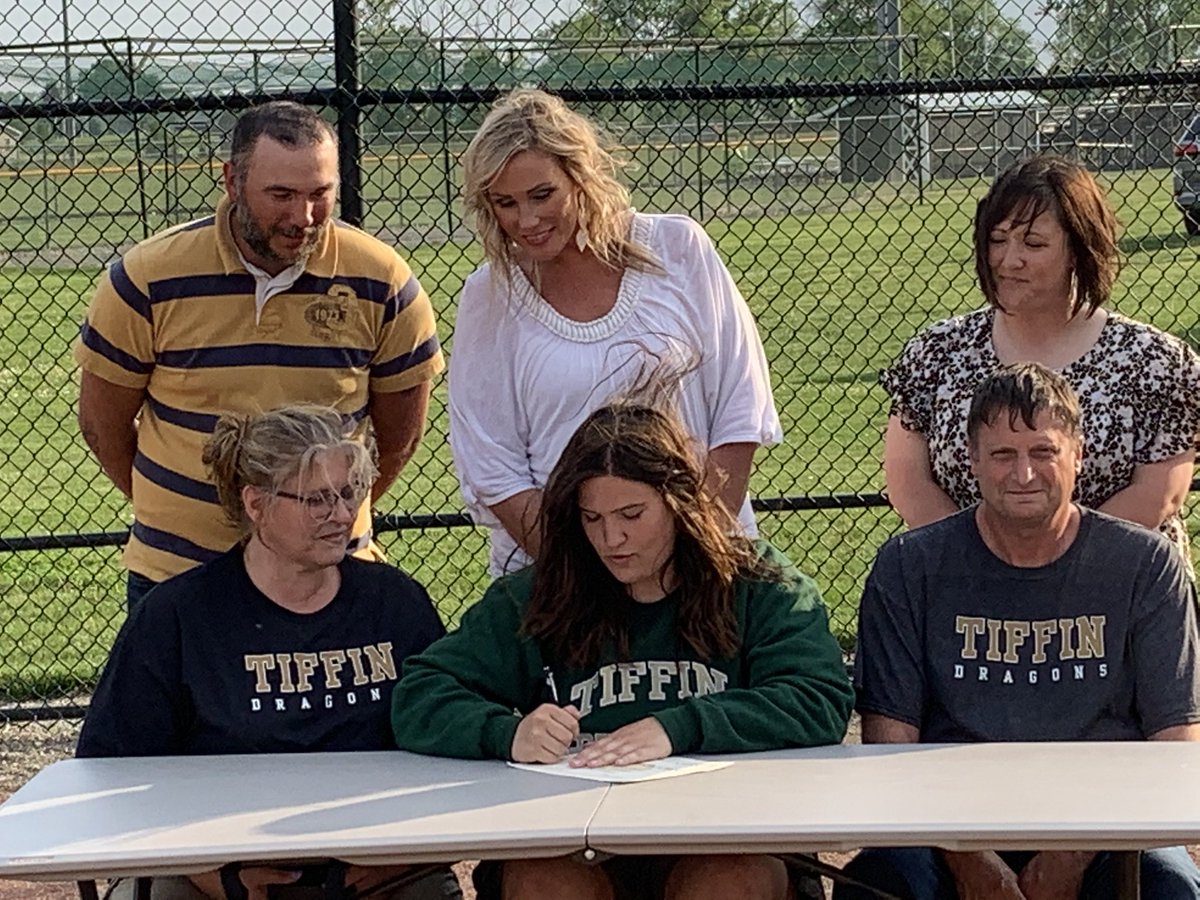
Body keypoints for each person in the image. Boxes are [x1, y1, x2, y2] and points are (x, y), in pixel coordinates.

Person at [393, 397, 854, 900]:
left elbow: (819, 697)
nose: (612, 538)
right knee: (544, 884)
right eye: (592, 519)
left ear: (680, 503)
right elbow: (421, 691)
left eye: (632, 514)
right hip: (575, 838)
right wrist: (508, 733)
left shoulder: (755, 584)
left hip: (727, 833)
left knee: (725, 883)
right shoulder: (544, 594)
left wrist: (678, 727)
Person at [839, 364, 1200, 900]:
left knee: (1171, 887)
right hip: (944, 819)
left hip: (1107, 820)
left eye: (1043, 452)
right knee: (876, 882)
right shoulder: (910, 566)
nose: (1023, 474)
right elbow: (889, 743)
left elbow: (1176, 744)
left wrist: (1070, 853)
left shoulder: (1144, 564)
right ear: (973, 461)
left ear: (1077, 454)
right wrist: (968, 858)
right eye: (1004, 455)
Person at [77, 405, 458, 900]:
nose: (342, 515)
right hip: (210, 860)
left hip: (379, 864)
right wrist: (214, 875)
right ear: (255, 504)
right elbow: (107, 772)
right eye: (317, 500)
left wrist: (399, 858)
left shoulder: (395, 603)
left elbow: (448, 736)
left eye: (349, 494)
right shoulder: (177, 617)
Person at [74, 101, 444, 607]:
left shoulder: (383, 280)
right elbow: (102, 424)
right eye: (281, 195)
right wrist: (174, 510)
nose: (303, 217)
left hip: (328, 573)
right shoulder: (146, 278)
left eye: (321, 194)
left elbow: (402, 433)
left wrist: (317, 521)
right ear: (231, 181)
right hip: (179, 573)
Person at [449, 88, 781, 576]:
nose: (527, 220)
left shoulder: (678, 248)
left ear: (580, 178)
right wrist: (594, 576)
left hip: (703, 564)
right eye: (505, 203)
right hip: (562, 580)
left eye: (543, 195)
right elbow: (492, 467)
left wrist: (689, 554)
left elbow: (740, 409)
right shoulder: (489, 296)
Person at [881, 154, 1200, 566]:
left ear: (1079, 250)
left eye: (1033, 243)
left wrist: (1051, 568)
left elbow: (1161, 492)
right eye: (998, 239)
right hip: (970, 584)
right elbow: (908, 480)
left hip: (1117, 583)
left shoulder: (1157, 361)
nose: (1009, 260)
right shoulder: (937, 351)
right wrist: (985, 563)